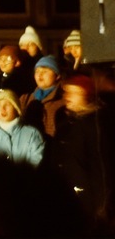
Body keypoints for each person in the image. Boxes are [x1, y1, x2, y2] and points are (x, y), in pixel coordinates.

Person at [42, 73, 115, 234]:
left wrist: (102, 206)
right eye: (67, 92)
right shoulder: (64, 122)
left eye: (74, 92)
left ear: (86, 95)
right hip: (64, 197)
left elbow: (101, 166)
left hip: (86, 201)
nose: (68, 97)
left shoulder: (96, 124)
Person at [0, 89, 45, 168]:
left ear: (16, 108)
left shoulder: (32, 134)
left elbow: (36, 162)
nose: (2, 109)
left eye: (7, 104)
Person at [19, 55, 65, 140]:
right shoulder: (25, 99)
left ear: (57, 75)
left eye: (45, 71)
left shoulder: (63, 99)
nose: (40, 75)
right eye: (37, 71)